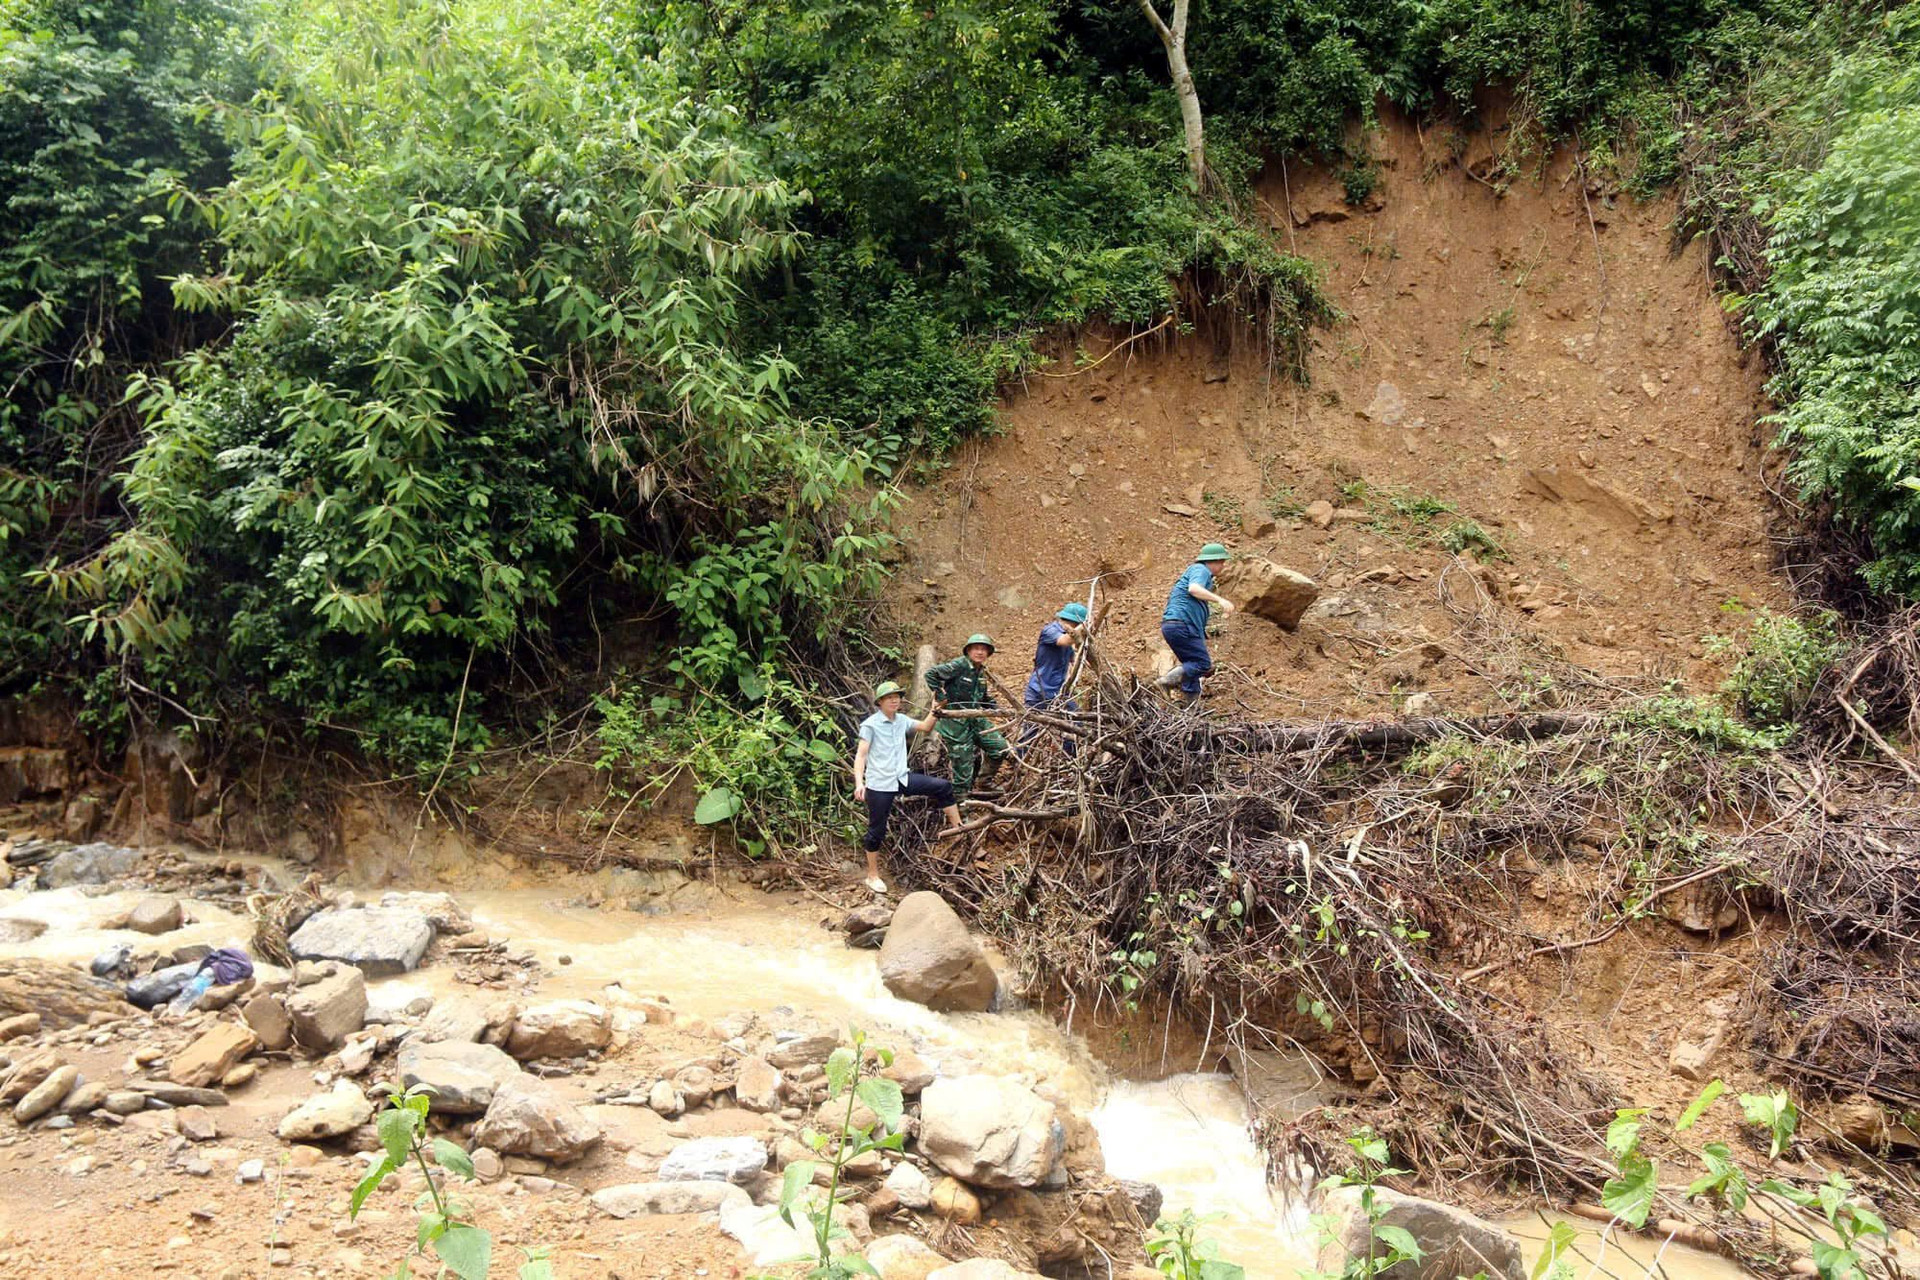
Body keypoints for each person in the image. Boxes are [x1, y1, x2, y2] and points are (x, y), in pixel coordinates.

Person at [852, 681, 959, 893]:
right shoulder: (871, 724)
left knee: (943, 787)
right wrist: (859, 783)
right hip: (880, 784)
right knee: (876, 830)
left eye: (897, 696)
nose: (894, 700)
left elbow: (926, 727)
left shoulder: (901, 720)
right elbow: (861, 756)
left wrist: (935, 710)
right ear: (880, 702)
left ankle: (958, 831)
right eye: (889, 697)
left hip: (902, 778)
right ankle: (872, 875)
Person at [925, 633, 1011, 802]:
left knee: (1000, 747)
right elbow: (931, 674)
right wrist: (940, 695)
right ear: (968, 651)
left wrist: (995, 707)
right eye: (976, 649)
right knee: (963, 770)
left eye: (984, 649)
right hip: (955, 724)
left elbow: (982, 697)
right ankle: (961, 809)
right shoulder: (959, 665)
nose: (980, 652)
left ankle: (984, 782)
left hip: (975, 719)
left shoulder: (981, 672)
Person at [1156, 542, 1235, 704]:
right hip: (1182, 624)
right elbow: (1194, 589)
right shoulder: (1201, 570)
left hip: (1174, 626)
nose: (1222, 566)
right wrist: (1220, 600)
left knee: (1191, 667)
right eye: (1221, 562)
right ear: (1212, 562)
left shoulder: (1198, 572)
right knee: (1203, 664)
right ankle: (1166, 682)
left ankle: (1190, 711)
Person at [1022, 602, 1087, 757]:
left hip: (1059, 692)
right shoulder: (1051, 630)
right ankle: (1019, 760)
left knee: (1075, 722)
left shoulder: (1070, 637)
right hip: (1039, 690)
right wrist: (1083, 628)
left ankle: (1068, 760)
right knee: (1030, 732)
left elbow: (1074, 656)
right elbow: (1064, 641)